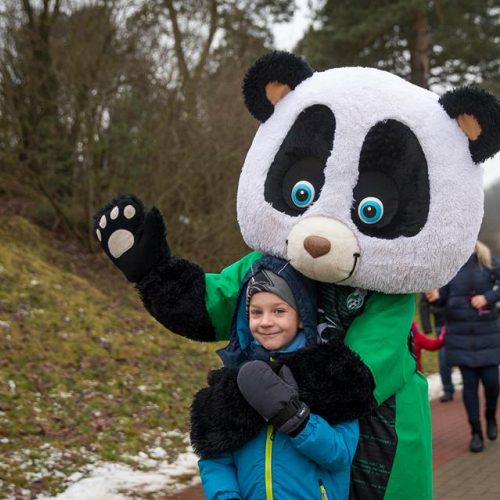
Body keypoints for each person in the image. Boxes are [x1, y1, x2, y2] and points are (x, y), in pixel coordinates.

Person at [195, 258, 359, 500]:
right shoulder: (230, 383)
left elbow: (339, 455)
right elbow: (215, 458)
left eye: (279, 311)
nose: (266, 322)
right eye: (256, 312)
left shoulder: (330, 373)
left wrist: (297, 420)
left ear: (302, 315)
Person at [428, 241, 500, 453]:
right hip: (459, 336)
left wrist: (488, 297)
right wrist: (435, 299)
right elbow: (444, 300)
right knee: (469, 386)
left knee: (491, 382)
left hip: (486, 332)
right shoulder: (450, 266)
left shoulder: (486, 260)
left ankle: (490, 416)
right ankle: (476, 432)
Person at [420, 292, 455, 401]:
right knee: (444, 358)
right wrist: (427, 326)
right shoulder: (431, 280)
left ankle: (471, 385)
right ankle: (448, 389)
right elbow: (424, 304)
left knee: (465, 356)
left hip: (460, 322)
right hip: (441, 324)